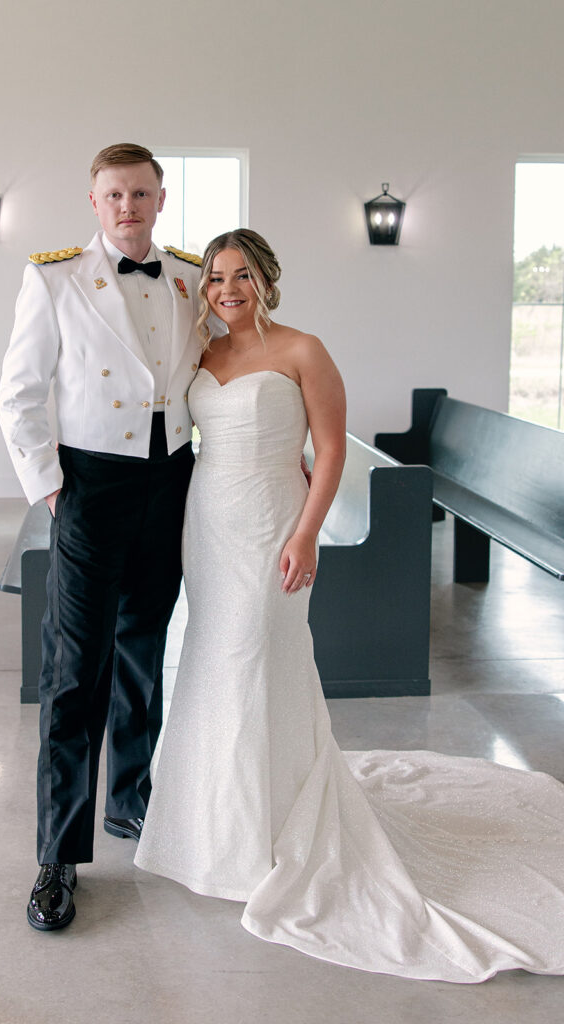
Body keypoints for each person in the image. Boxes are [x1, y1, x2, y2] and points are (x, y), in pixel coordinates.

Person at [134, 228, 564, 982]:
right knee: (210, 658)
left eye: (240, 276)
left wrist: (306, 534)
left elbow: (328, 450)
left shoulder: (304, 349)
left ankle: (269, 828)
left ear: (267, 278)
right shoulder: (199, 353)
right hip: (208, 521)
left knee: (258, 658)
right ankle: (206, 830)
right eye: (213, 279)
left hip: (274, 522)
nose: (226, 289)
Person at [0, 143, 217, 931]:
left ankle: (129, 800)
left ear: (161, 199)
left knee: (143, 647)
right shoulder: (54, 277)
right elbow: (18, 394)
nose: (128, 206)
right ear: (94, 202)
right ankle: (58, 853)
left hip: (175, 481)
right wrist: (52, 489)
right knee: (73, 666)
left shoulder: (192, 276)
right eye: (114, 195)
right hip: (90, 483)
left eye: (142, 194)